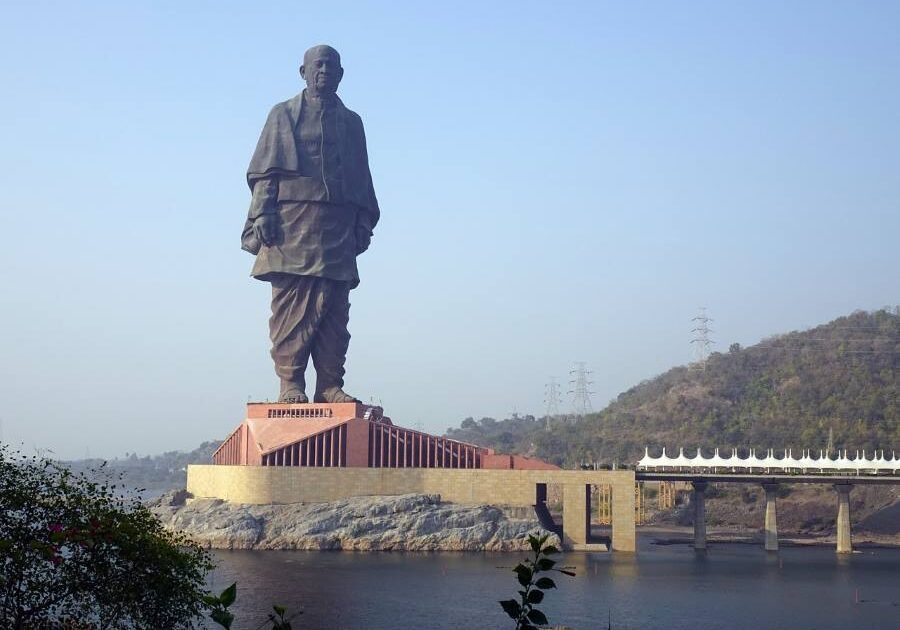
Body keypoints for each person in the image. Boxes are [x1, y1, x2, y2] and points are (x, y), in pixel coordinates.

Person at [241, 45, 379, 403]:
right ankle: (291, 382)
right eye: (317, 66)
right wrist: (263, 213)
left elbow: (362, 176)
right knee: (292, 305)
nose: (324, 71)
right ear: (302, 72)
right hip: (293, 223)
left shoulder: (352, 123)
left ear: (341, 75)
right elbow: (265, 172)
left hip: (337, 225)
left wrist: (363, 221)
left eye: (331, 67)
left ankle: (330, 384)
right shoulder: (282, 115)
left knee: (335, 306)